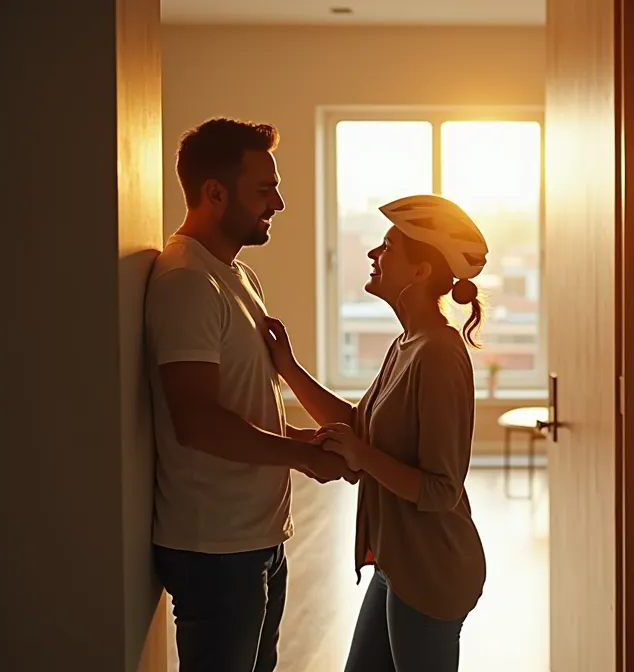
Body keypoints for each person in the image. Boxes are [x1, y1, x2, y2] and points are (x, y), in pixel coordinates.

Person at [146, 117, 358, 672]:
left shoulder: (237, 276)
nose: (280, 203)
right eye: (264, 189)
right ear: (214, 193)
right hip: (215, 548)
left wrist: (299, 438)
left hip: (256, 536)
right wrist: (301, 457)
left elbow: (240, 410)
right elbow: (198, 422)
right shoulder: (187, 282)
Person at [260, 194, 489, 671]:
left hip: (431, 570)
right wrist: (289, 370)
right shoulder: (408, 343)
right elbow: (357, 426)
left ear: (421, 271)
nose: (373, 255)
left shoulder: (439, 356)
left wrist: (362, 456)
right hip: (396, 564)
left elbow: (441, 489)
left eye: (387, 247)